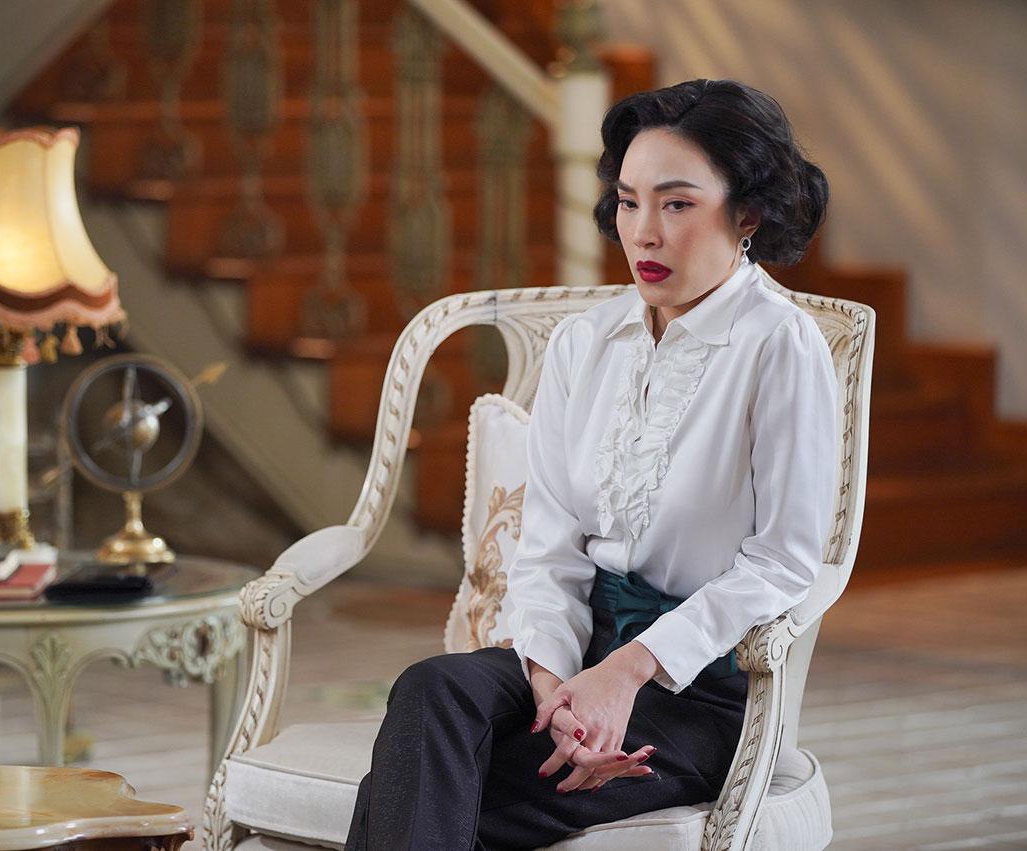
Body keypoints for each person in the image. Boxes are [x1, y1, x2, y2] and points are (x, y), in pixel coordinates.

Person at [343, 78, 837, 850]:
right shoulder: (585, 343)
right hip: (572, 655)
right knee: (433, 689)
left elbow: (784, 561)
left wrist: (629, 670)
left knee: (410, 790)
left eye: (677, 204)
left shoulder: (781, 345)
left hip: (697, 692)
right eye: (629, 202)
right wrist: (554, 689)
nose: (644, 233)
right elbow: (548, 547)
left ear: (748, 214)